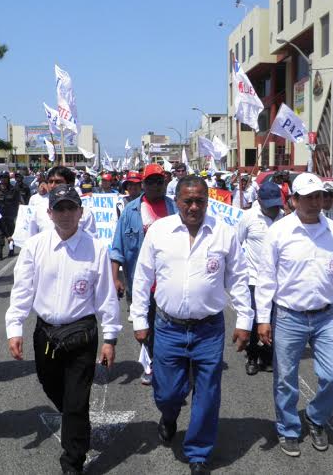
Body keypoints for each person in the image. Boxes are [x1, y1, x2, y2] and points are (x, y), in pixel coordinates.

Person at [130, 175, 253, 474]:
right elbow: (143, 276)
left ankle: (198, 453)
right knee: (167, 393)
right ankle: (169, 415)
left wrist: (245, 319)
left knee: (208, 393)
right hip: (168, 327)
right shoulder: (159, 231)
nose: (194, 207)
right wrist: (139, 318)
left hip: (208, 330)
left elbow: (238, 278)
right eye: (188, 201)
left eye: (200, 201)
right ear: (178, 201)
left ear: (208, 201)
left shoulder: (223, 233)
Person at [5, 185, 121, 474]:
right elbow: (22, 290)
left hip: (82, 334)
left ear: (81, 212)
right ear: (49, 213)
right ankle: (76, 421)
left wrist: (110, 338)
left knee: (76, 401)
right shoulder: (35, 246)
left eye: (71, 208)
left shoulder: (96, 248)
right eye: (60, 208)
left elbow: (106, 296)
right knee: (52, 387)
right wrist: (14, 327)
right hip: (46, 334)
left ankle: (72, 461)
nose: (66, 214)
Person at [256, 173, 333, 458]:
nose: (315, 202)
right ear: (294, 200)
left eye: (319, 196)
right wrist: (263, 319)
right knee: (285, 379)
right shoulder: (279, 231)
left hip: (324, 316)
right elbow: (266, 278)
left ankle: (316, 417)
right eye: (308, 197)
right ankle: (288, 428)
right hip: (288, 316)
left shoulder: (331, 229)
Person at [110, 164, 176, 384]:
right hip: (141, 283)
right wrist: (115, 278)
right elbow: (118, 247)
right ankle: (151, 362)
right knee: (145, 327)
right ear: (143, 185)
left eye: (160, 181)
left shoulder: (175, 208)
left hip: (170, 282)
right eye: (151, 182)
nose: (156, 186)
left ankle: (165, 364)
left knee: (169, 328)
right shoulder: (131, 211)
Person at [237, 182, 284, 375]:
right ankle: (252, 356)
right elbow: (237, 243)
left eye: (277, 204)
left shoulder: (284, 218)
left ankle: (266, 356)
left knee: (272, 320)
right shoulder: (248, 217)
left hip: (277, 281)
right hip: (254, 279)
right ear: (259, 200)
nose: (274, 209)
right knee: (255, 320)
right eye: (270, 205)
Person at [29, 167, 96, 237]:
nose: (52, 185)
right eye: (50, 182)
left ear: (70, 184)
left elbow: (90, 239)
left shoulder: (85, 213)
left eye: (58, 182)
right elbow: (32, 239)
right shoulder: (39, 210)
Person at [0, 171, 22, 259]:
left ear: (8, 179)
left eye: (5, 177)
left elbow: (18, 202)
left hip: (10, 215)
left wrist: (16, 212)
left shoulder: (14, 190)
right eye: (2, 178)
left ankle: (11, 249)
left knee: (10, 233)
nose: (3, 179)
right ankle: (0, 251)